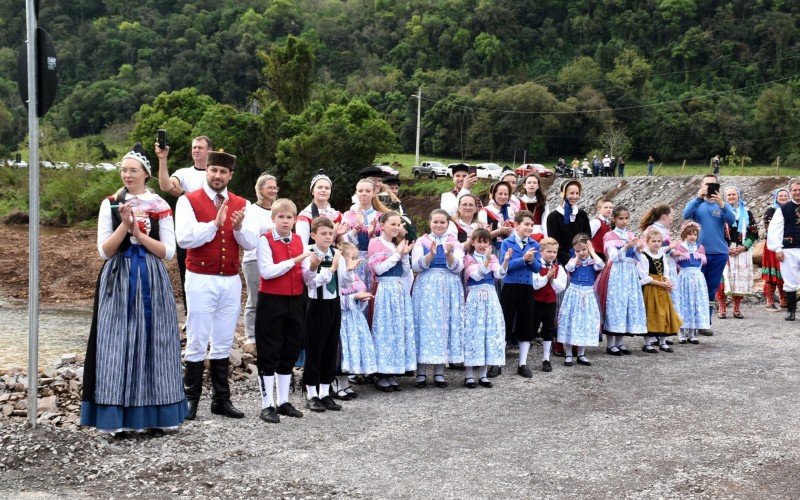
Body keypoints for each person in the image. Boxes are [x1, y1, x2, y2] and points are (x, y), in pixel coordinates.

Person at [81, 143, 187, 434]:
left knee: (156, 342)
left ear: (146, 173)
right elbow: (104, 251)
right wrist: (124, 227)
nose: (127, 175)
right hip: (118, 277)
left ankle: (156, 415)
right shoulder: (111, 202)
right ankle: (117, 418)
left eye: (133, 170)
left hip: (151, 278)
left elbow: (167, 251)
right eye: (124, 170)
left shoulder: (160, 205)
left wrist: (139, 233)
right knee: (117, 342)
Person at [176, 150, 258, 420]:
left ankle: (221, 400)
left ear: (230, 175)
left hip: (230, 280)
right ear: (207, 171)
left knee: (223, 339)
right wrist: (214, 224)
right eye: (214, 170)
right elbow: (185, 239)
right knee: (198, 339)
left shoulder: (241, 203)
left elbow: (250, 243)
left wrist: (238, 228)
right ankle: (190, 399)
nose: (218, 175)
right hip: (200, 278)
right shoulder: (189, 201)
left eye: (223, 172)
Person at [254, 198, 314, 424]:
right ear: (273, 219)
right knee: (269, 350)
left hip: (296, 300)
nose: (286, 221)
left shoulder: (299, 240)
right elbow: (267, 271)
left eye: (290, 217)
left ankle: (283, 401)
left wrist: (313, 269)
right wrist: (295, 260)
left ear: (295, 220)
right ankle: (266, 404)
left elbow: (305, 276)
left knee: (289, 350)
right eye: (281, 217)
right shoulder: (265, 240)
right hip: (271, 300)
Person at [156, 136, 213, 316]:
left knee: (210, 279)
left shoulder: (215, 173)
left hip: (211, 232)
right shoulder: (184, 173)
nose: (196, 150)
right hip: (188, 234)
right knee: (187, 277)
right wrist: (162, 159)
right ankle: (191, 318)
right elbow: (166, 186)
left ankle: (210, 320)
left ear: (209, 151)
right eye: (194, 147)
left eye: (200, 147)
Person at [411, 209, 465, 388]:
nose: (439, 225)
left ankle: (440, 371)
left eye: (442, 222)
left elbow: (458, 267)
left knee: (444, 325)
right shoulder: (422, 241)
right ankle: (420, 371)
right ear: (429, 223)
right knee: (425, 324)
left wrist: (449, 254)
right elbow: (416, 266)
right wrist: (431, 254)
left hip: (449, 285)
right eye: (435, 222)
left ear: (448, 223)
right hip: (427, 285)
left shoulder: (454, 242)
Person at [368, 211, 416, 391]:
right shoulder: (376, 243)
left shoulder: (398, 243)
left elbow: (404, 272)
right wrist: (397, 254)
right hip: (384, 288)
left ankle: (394, 371)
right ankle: (381, 374)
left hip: (398, 289)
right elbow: (379, 269)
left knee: (397, 328)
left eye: (399, 225)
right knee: (384, 328)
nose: (396, 228)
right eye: (393, 224)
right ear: (382, 225)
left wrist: (404, 256)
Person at [682, 174, 736, 334]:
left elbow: (732, 221)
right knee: (695, 288)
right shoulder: (697, 204)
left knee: (711, 288)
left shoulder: (721, 205)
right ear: (701, 185)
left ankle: (705, 323)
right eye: (707, 184)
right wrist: (699, 197)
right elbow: (686, 215)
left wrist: (722, 203)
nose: (709, 187)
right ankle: (691, 322)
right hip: (697, 253)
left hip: (718, 253)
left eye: (713, 185)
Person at [302, 217, 345, 413]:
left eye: (330, 233)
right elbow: (310, 282)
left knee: (330, 347)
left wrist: (348, 270)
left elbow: (343, 282)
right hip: (316, 305)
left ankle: (325, 392)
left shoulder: (337, 253)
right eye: (323, 234)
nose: (328, 237)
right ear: (313, 235)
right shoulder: (309, 253)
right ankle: (311, 393)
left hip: (333, 304)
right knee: (315, 348)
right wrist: (332, 269)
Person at [462, 229, 510, 388]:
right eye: (479, 241)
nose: (483, 245)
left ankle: (483, 374)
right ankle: (469, 375)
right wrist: (486, 261)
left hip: (490, 297)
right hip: (475, 298)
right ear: (473, 242)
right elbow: (476, 276)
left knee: (488, 333)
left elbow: (499, 275)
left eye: (486, 242)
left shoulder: (493, 257)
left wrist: (505, 261)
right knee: (473, 333)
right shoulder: (468, 258)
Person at [499, 211, 542, 378]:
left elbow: (538, 268)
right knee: (505, 322)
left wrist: (531, 260)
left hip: (526, 287)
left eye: (531, 225)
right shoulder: (506, 243)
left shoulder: (535, 244)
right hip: (510, 286)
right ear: (516, 225)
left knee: (526, 323)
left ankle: (522, 363)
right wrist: (523, 259)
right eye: (526, 224)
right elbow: (506, 266)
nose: (530, 227)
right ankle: (498, 362)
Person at [600, 206, 647, 355]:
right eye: (621, 218)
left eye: (626, 218)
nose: (624, 221)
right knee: (616, 304)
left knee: (627, 304)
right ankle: (610, 343)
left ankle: (620, 342)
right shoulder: (610, 235)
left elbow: (638, 258)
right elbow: (613, 257)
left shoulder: (630, 234)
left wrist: (638, 249)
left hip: (630, 272)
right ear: (614, 219)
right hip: (617, 273)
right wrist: (627, 246)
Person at [557, 234, 604, 367]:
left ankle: (581, 354)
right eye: (578, 250)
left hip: (587, 294)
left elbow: (601, 265)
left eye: (584, 249)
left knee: (584, 322)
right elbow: (569, 268)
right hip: (574, 294)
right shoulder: (574, 261)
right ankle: (569, 354)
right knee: (571, 322)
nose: (581, 253)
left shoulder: (593, 262)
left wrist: (593, 252)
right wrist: (576, 257)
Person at [241, 173, 278, 345]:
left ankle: (268, 333)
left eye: (275, 187)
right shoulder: (251, 209)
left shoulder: (278, 209)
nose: (273, 190)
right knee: (255, 298)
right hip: (253, 259)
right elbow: (250, 234)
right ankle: (251, 337)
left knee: (272, 300)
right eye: (269, 187)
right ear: (260, 189)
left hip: (276, 260)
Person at [336, 242, 377, 393]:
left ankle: (345, 382)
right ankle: (336, 384)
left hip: (354, 318)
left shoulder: (355, 276)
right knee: (342, 350)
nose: (355, 261)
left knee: (351, 350)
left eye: (356, 257)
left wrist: (361, 299)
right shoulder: (339, 276)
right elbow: (337, 299)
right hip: (342, 319)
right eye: (352, 258)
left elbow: (358, 292)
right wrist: (354, 297)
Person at [638, 227, 682, 352]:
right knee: (650, 313)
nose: (657, 243)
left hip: (662, 287)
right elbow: (644, 277)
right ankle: (647, 343)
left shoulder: (662, 255)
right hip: (650, 288)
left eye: (658, 241)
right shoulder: (644, 256)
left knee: (665, 313)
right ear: (647, 242)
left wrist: (667, 281)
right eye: (653, 241)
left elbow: (666, 271)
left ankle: (663, 342)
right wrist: (661, 283)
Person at [716, 187, 757, 319]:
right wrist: (725, 248)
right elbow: (715, 232)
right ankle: (721, 307)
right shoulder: (719, 212)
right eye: (729, 195)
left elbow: (754, 232)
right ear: (724, 197)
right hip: (723, 250)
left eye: (734, 194)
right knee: (722, 279)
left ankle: (736, 308)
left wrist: (744, 247)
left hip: (742, 251)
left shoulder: (747, 212)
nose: (731, 197)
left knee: (739, 279)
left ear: (739, 196)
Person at [531, 237, 567, 372]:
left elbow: (560, 287)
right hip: (536, 301)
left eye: (554, 252)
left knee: (548, 329)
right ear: (541, 251)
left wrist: (552, 281)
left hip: (550, 302)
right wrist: (546, 277)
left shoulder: (558, 268)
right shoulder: (535, 266)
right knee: (532, 328)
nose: (552, 254)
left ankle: (546, 358)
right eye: (548, 251)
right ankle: (524, 359)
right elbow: (535, 285)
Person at [766, 179, 800, 321]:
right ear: (791, 191)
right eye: (795, 190)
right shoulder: (783, 209)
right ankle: (791, 311)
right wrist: (778, 249)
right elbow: (775, 230)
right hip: (789, 249)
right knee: (790, 280)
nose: (798, 192)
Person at [342, 179, 384, 292]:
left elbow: (385, 243)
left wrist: (372, 236)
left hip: (375, 261)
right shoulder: (348, 215)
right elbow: (344, 242)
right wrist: (358, 227)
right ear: (356, 193)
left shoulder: (380, 217)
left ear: (374, 193)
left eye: (368, 191)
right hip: (353, 261)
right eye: (360, 191)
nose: (364, 193)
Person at [672, 221, 710, 344]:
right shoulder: (679, 247)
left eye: (695, 234)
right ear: (684, 235)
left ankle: (693, 333)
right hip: (684, 277)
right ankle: (682, 333)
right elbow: (674, 262)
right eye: (690, 234)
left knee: (695, 302)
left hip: (697, 277)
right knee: (684, 303)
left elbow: (701, 263)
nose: (692, 236)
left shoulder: (700, 247)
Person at [297, 170, 346, 247]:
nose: (323, 190)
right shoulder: (305, 215)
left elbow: (345, 245)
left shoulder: (337, 215)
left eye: (327, 188)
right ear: (312, 191)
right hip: (313, 256)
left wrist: (339, 235)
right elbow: (302, 245)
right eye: (320, 187)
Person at [762, 188, 791, 310]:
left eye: (785, 196)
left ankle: (784, 300)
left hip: (788, 245)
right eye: (781, 196)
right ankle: (770, 300)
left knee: (786, 273)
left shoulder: (792, 209)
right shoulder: (771, 211)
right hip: (773, 246)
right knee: (772, 273)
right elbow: (771, 230)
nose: (783, 198)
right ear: (776, 198)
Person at [479, 181, 516, 253]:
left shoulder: (510, 210)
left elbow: (514, 233)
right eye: (500, 194)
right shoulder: (484, 212)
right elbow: (481, 237)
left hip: (509, 247)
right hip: (490, 249)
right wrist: (500, 231)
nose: (503, 197)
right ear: (494, 194)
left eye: (506, 194)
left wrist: (509, 230)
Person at [518, 173, 549, 241]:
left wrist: (546, 237)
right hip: (522, 234)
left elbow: (545, 222)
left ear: (538, 186)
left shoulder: (543, 203)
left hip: (539, 234)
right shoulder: (518, 202)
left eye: (534, 183)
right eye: (529, 182)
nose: (532, 185)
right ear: (524, 185)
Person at [590, 197, 613, 262]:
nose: (608, 209)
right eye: (605, 207)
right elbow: (587, 237)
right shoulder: (596, 222)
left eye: (610, 208)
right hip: (595, 254)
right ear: (599, 209)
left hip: (604, 254)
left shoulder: (608, 223)